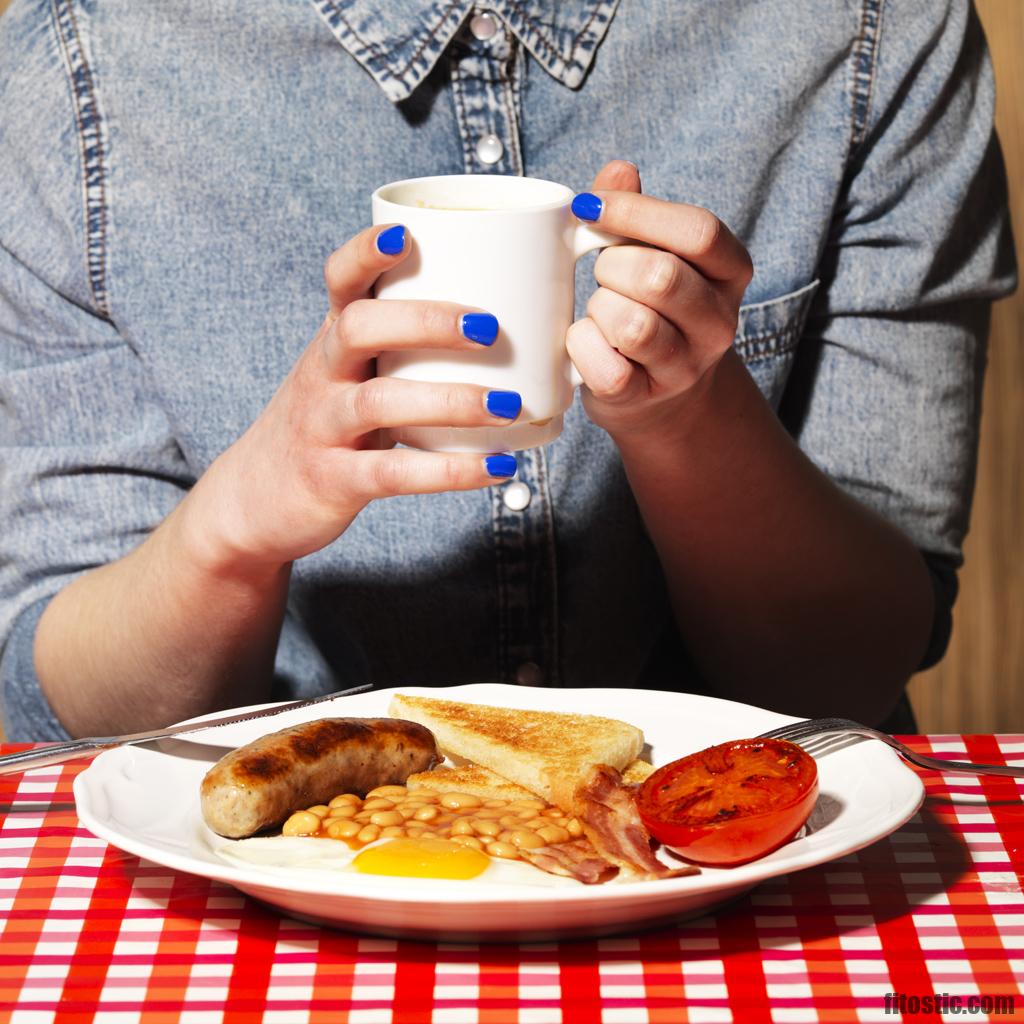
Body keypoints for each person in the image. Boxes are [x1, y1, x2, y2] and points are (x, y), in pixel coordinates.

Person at [0, 0, 1015, 741]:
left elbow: (857, 663)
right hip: (281, 894)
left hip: (737, 880)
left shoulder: (873, 32)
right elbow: (65, 702)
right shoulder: (80, 64)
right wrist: (234, 529)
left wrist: (688, 421)